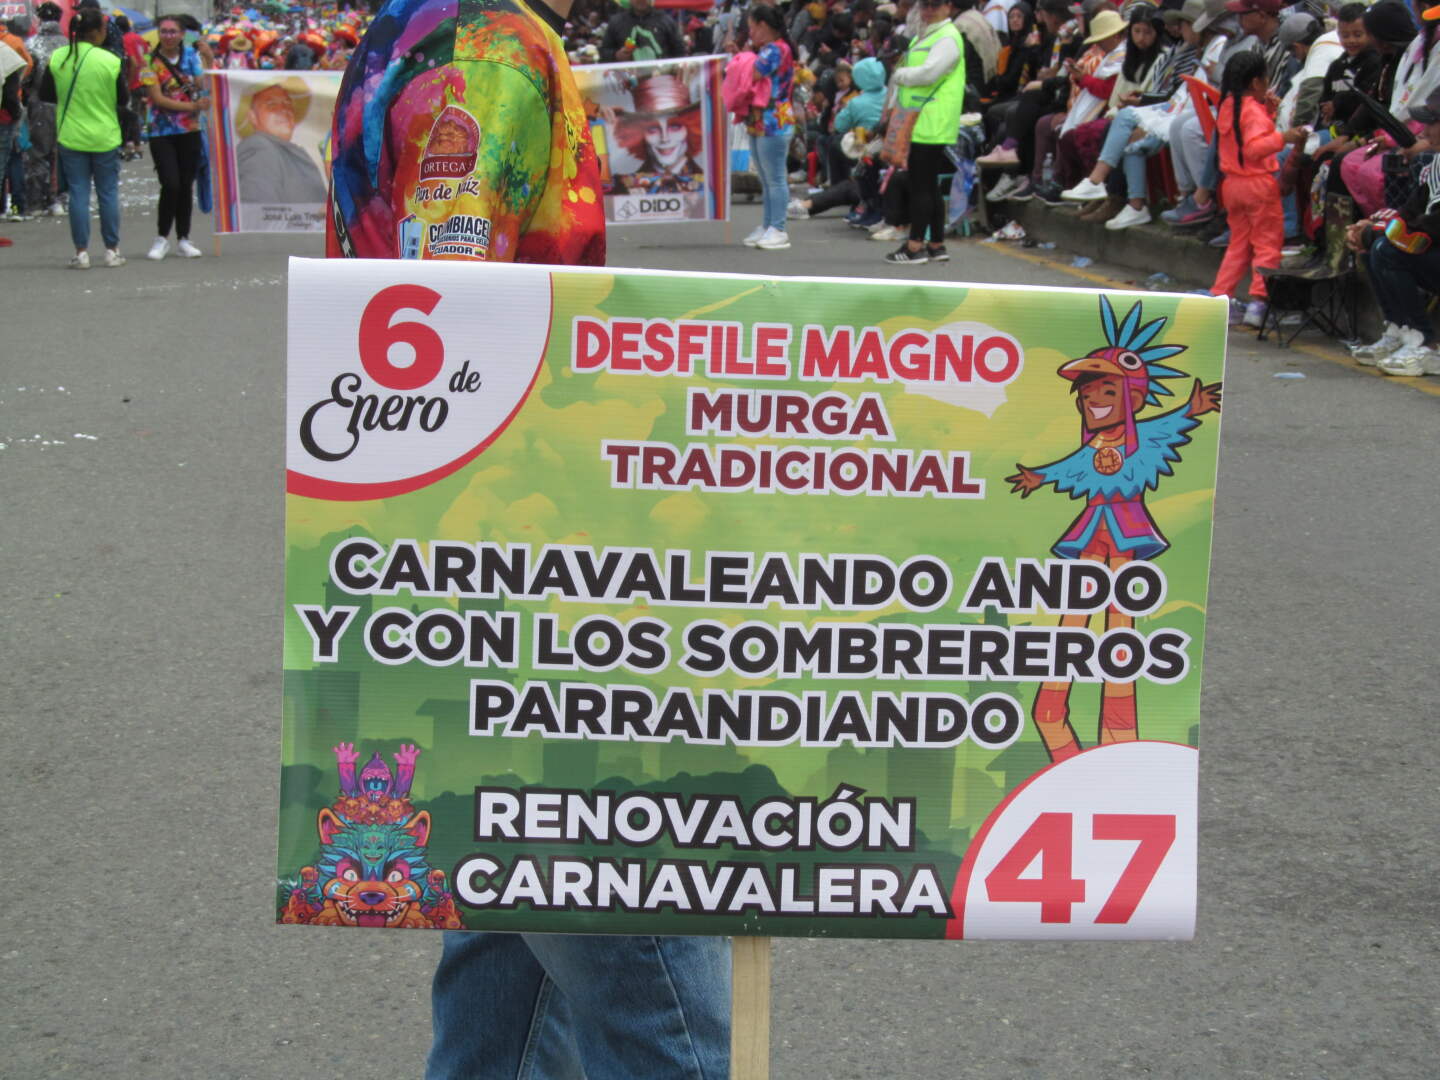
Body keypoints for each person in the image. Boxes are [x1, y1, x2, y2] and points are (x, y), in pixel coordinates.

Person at [329, 1, 727, 1072]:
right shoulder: (486, 52)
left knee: (510, 919)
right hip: (516, 529)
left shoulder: (431, 27)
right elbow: (449, 313)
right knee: (636, 930)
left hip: (481, 521)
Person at [1206, 50, 1306, 327]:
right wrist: (1284, 137)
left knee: (1238, 245)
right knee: (1267, 245)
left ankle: (1221, 297)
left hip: (1232, 185)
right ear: (1255, 82)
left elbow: (1242, 137)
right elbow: (1253, 148)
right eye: (1266, 80)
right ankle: (1259, 303)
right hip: (1257, 184)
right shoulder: (1252, 111)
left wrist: (1268, 111)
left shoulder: (1228, 105)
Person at [1347, 86, 1440, 375]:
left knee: (1387, 250)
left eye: (1432, 123)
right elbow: (1412, 211)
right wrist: (1370, 228)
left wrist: (1380, 234)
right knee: (1373, 249)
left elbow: (1432, 229)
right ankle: (1400, 330)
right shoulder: (1435, 163)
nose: (1424, 131)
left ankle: (1425, 343)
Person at [39, 5, 127, 268]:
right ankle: (112, 250)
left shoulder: (58, 58)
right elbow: (123, 99)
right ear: (98, 32)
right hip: (105, 135)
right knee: (108, 193)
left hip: (71, 134)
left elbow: (46, 94)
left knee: (78, 193)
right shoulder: (110, 61)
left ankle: (81, 253)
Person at [885, 0, 965, 264]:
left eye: (934, 5)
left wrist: (900, 74)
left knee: (920, 184)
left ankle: (914, 246)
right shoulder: (928, 35)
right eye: (925, 5)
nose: (928, 11)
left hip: (931, 119)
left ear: (948, 6)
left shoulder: (947, 37)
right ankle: (936, 244)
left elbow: (930, 73)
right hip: (922, 118)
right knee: (928, 184)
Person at [139, 15, 206, 259]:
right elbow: (157, 98)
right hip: (161, 131)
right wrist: (193, 107)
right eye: (164, 31)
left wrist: (208, 57)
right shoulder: (149, 61)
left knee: (186, 185)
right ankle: (161, 237)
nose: (168, 36)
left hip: (190, 130)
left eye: (173, 31)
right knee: (170, 183)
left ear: (182, 34)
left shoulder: (191, 57)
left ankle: (184, 238)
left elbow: (202, 83)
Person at [741, 4, 797, 251]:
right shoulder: (769, 49)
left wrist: (743, 56)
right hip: (761, 119)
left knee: (774, 178)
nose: (750, 33)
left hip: (774, 120)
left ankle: (778, 228)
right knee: (766, 179)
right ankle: (768, 225)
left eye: (752, 27)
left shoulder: (776, 49)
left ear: (763, 25)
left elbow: (751, 74)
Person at [235, 78, 327, 205]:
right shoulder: (259, 149)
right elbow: (260, 211)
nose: (284, 109)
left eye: (288, 104)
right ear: (252, 117)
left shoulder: (283, 151)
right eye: (271, 105)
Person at [609, 72, 704, 194]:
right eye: (653, 129)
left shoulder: (712, 183)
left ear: (690, 130)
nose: (665, 138)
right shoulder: (622, 186)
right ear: (639, 134)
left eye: (675, 127)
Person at [21, 2, 65, 216]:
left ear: (38, 19)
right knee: (63, 153)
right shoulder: (69, 45)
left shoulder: (30, 44)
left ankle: (37, 200)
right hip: (67, 105)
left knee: (38, 153)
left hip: (39, 105)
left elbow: (25, 78)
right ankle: (60, 198)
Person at [599, 0, 685, 63]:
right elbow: (603, 52)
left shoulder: (665, 20)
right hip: (626, 77)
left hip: (662, 77)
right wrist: (616, 55)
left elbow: (680, 51)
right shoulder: (616, 22)